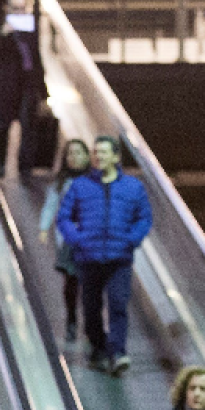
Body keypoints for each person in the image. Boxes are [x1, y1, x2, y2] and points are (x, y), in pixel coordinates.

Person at [56, 135, 152, 376]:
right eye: (96, 152)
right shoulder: (81, 186)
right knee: (91, 308)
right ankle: (98, 348)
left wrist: (132, 239)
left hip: (120, 258)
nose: (98, 157)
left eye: (104, 152)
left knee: (118, 304)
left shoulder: (132, 187)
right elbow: (64, 217)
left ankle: (117, 352)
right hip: (88, 259)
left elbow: (144, 218)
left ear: (116, 157)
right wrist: (77, 240)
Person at [0, 0, 46, 179]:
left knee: (29, 126)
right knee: (2, 125)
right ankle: (1, 161)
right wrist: (3, 33)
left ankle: (24, 167)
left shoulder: (30, 28)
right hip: (7, 85)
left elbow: (36, 57)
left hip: (28, 85)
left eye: (22, 8)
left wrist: (43, 90)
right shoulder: (1, 27)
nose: (19, 12)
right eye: (15, 9)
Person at [38, 139, 91, 344]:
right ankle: (71, 320)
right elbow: (51, 206)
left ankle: (90, 322)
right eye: (70, 154)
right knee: (72, 281)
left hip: (92, 239)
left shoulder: (96, 181)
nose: (75, 157)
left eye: (79, 153)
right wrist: (43, 228)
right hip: (69, 239)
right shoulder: (60, 183)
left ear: (87, 156)